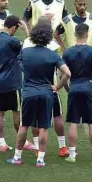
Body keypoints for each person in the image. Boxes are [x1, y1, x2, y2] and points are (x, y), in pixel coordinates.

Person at [7, 23, 71, 167]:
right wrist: (57, 87)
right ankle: (40, 160)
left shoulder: (25, 52)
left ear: (34, 36)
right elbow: (67, 73)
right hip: (46, 93)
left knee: (24, 125)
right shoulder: (53, 54)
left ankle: (17, 157)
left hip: (29, 92)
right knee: (43, 127)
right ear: (48, 38)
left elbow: (19, 64)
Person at [54, 0, 92, 121]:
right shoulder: (67, 20)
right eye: (80, 5)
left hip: (89, 55)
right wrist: (63, 48)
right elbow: (56, 33)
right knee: (66, 79)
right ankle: (75, 104)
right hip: (72, 56)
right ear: (75, 4)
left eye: (84, 4)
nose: (82, 7)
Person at [23, 16, 69, 156]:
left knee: (33, 119)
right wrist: (58, 86)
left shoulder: (26, 42)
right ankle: (62, 147)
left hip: (30, 85)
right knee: (57, 115)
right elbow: (62, 67)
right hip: (50, 85)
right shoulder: (53, 45)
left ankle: (37, 146)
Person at [62, 23, 92, 163]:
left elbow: (63, 74)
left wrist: (67, 88)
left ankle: (72, 155)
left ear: (75, 34)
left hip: (74, 88)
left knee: (74, 122)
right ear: (87, 35)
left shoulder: (67, 52)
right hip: (89, 88)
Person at [0, 16, 29, 152]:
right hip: (12, 82)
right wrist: (27, 31)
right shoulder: (13, 41)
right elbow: (30, 49)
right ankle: (22, 141)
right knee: (17, 111)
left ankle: (2, 143)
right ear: (13, 27)